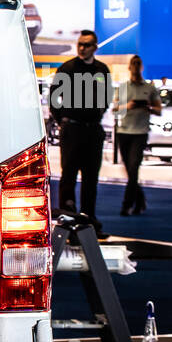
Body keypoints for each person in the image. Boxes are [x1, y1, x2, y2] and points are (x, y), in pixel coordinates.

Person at [49, 29, 115, 238]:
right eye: (80, 44)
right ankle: (67, 226)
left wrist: (97, 114)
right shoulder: (68, 68)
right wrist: (63, 121)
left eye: (87, 45)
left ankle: (89, 223)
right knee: (68, 178)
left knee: (90, 180)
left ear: (94, 47)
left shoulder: (101, 70)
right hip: (73, 130)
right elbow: (54, 98)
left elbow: (106, 98)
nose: (82, 48)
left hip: (93, 130)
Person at [113, 54, 162, 216]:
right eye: (133, 63)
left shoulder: (149, 88)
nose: (135, 66)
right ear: (129, 67)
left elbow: (159, 110)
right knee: (130, 171)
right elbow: (115, 109)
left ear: (141, 67)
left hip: (140, 133)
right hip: (124, 132)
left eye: (138, 63)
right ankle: (140, 200)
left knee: (133, 168)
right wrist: (129, 105)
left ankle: (126, 205)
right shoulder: (123, 87)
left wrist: (148, 108)